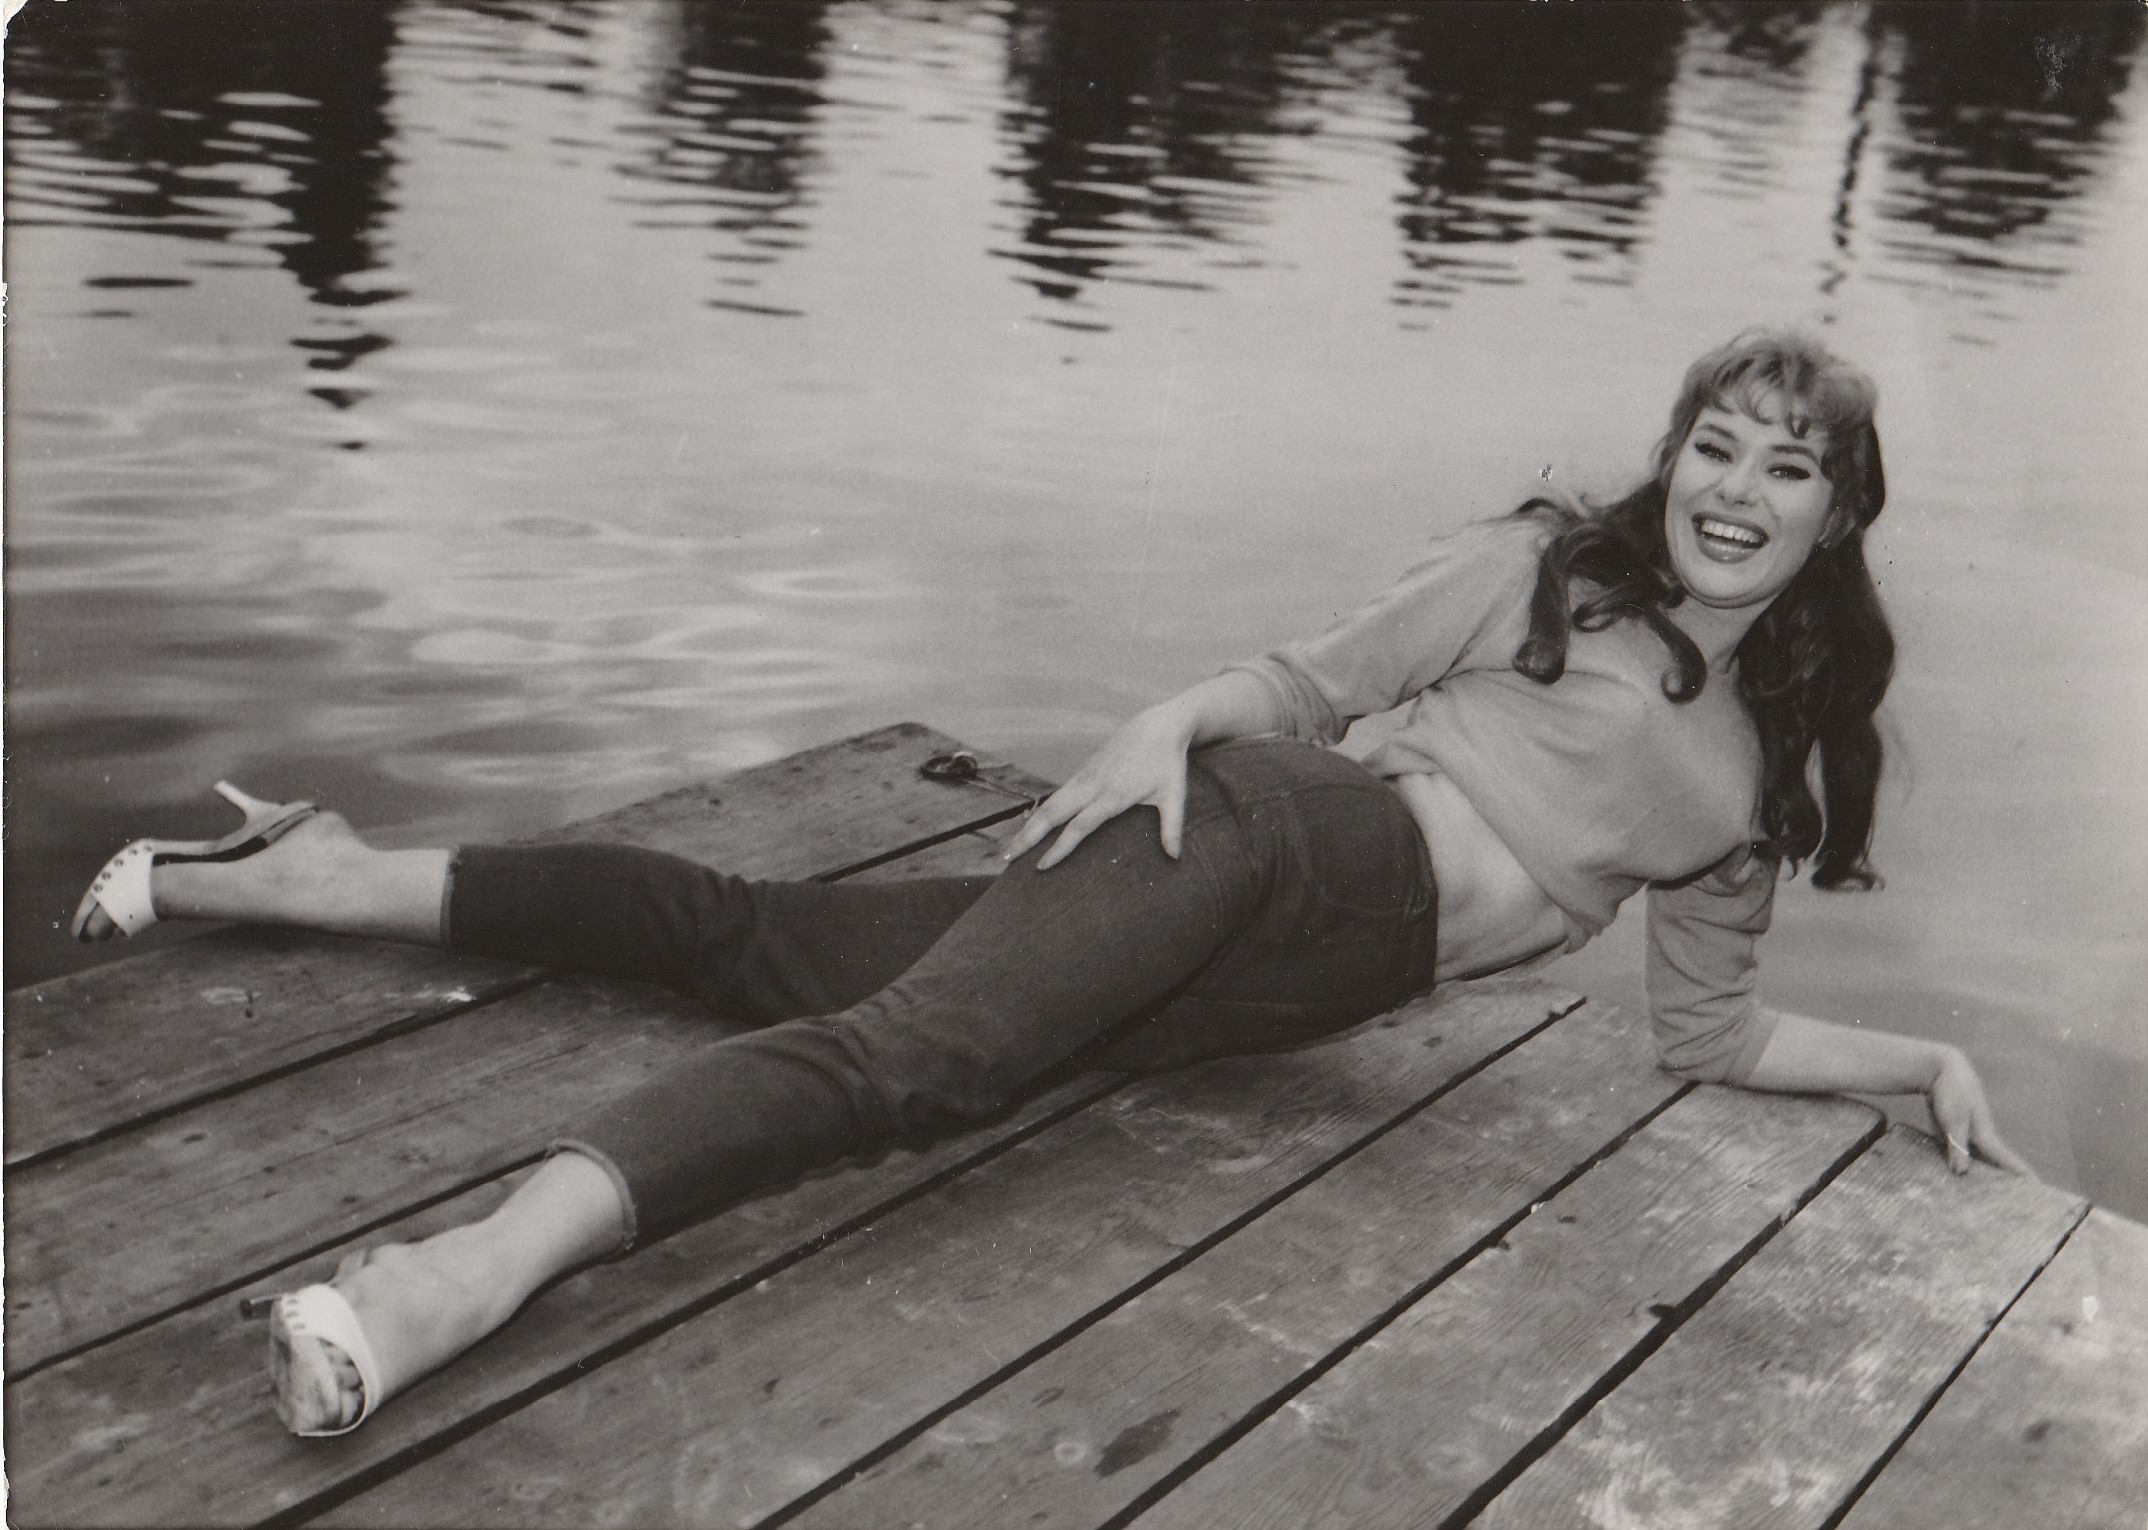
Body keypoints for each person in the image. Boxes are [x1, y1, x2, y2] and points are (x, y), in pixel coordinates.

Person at [71, 330, 2029, 1438]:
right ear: (1671, 458)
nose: (1736, 489)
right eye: (1715, 446)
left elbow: (1708, 1032)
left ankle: (332, 874)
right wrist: (1163, 728)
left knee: (769, 947)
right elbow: (1306, 687)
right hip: (1280, 834)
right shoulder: (1544, 570)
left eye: (1787, 468)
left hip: (1281, 986)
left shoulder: (1757, 784)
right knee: (907, 1065)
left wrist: (1912, 1061)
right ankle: (455, 1279)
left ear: (1840, 512)